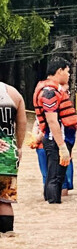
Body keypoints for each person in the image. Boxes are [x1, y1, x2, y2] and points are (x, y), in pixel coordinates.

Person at [34, 57, 77, 204]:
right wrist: (62, 146)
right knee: (55, 177)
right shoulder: (49, 92)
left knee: (56, 176)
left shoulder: (52, 89)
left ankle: (51, 208)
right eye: (67, 72)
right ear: (59, 71)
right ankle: (53, 205)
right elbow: (52, 120)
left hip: (59, 139)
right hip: (56, 140)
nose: (69, 75)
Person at [0, 82, 27, 233]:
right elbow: (22, 123)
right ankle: (8, 237)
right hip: (8, 153)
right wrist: (19, 147)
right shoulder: (13, 93)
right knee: (5, 199)